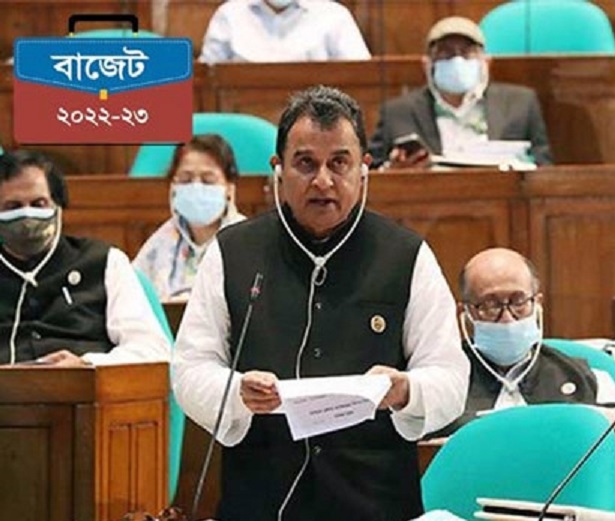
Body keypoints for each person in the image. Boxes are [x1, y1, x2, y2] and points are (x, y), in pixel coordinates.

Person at [173, 86, 469, 521]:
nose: (323, 181)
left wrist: (406, 390)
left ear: (364, 169)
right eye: (306, 164)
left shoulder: (407, 255)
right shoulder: (232, 252)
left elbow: (451, 376)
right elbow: (189, 368)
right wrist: (236, 392)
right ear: (278, 169)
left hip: (375, 501)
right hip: (260, 497)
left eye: (339, 163)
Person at [435, 247, 615, 436]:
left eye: (518, 301)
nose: (507, 317)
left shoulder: (586, 376)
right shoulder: (443, 381)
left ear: (537, 303)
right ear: (467, 313)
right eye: (490, 304)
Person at [0, 151, 170, 366]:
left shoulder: (105, 262)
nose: (27, 215)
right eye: (13, 207)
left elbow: (153, 350)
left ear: (58, 207)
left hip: (87, 385)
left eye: (39, 204)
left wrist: (86, 364)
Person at [368, 16, 552, 169]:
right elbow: (371, 173)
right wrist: (391, 170)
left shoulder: (520, 104)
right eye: (445, 53)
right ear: (427, 64)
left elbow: (543, 166)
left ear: (486, 62)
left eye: (467, 52)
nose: (457, 60)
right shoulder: (397, 113)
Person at [133, 134, 246, 301]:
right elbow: (132, 292)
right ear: (173, 187)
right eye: (186, 179)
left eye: (208, 180)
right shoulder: (161, 240)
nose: (196, 187)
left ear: (229, 188)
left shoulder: (247, 240)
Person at [199, 0, 371, 64]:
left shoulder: (334, 14)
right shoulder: (229, 14)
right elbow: (205, 77)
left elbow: (361, 74)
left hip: (320, 122)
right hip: (243, 116)